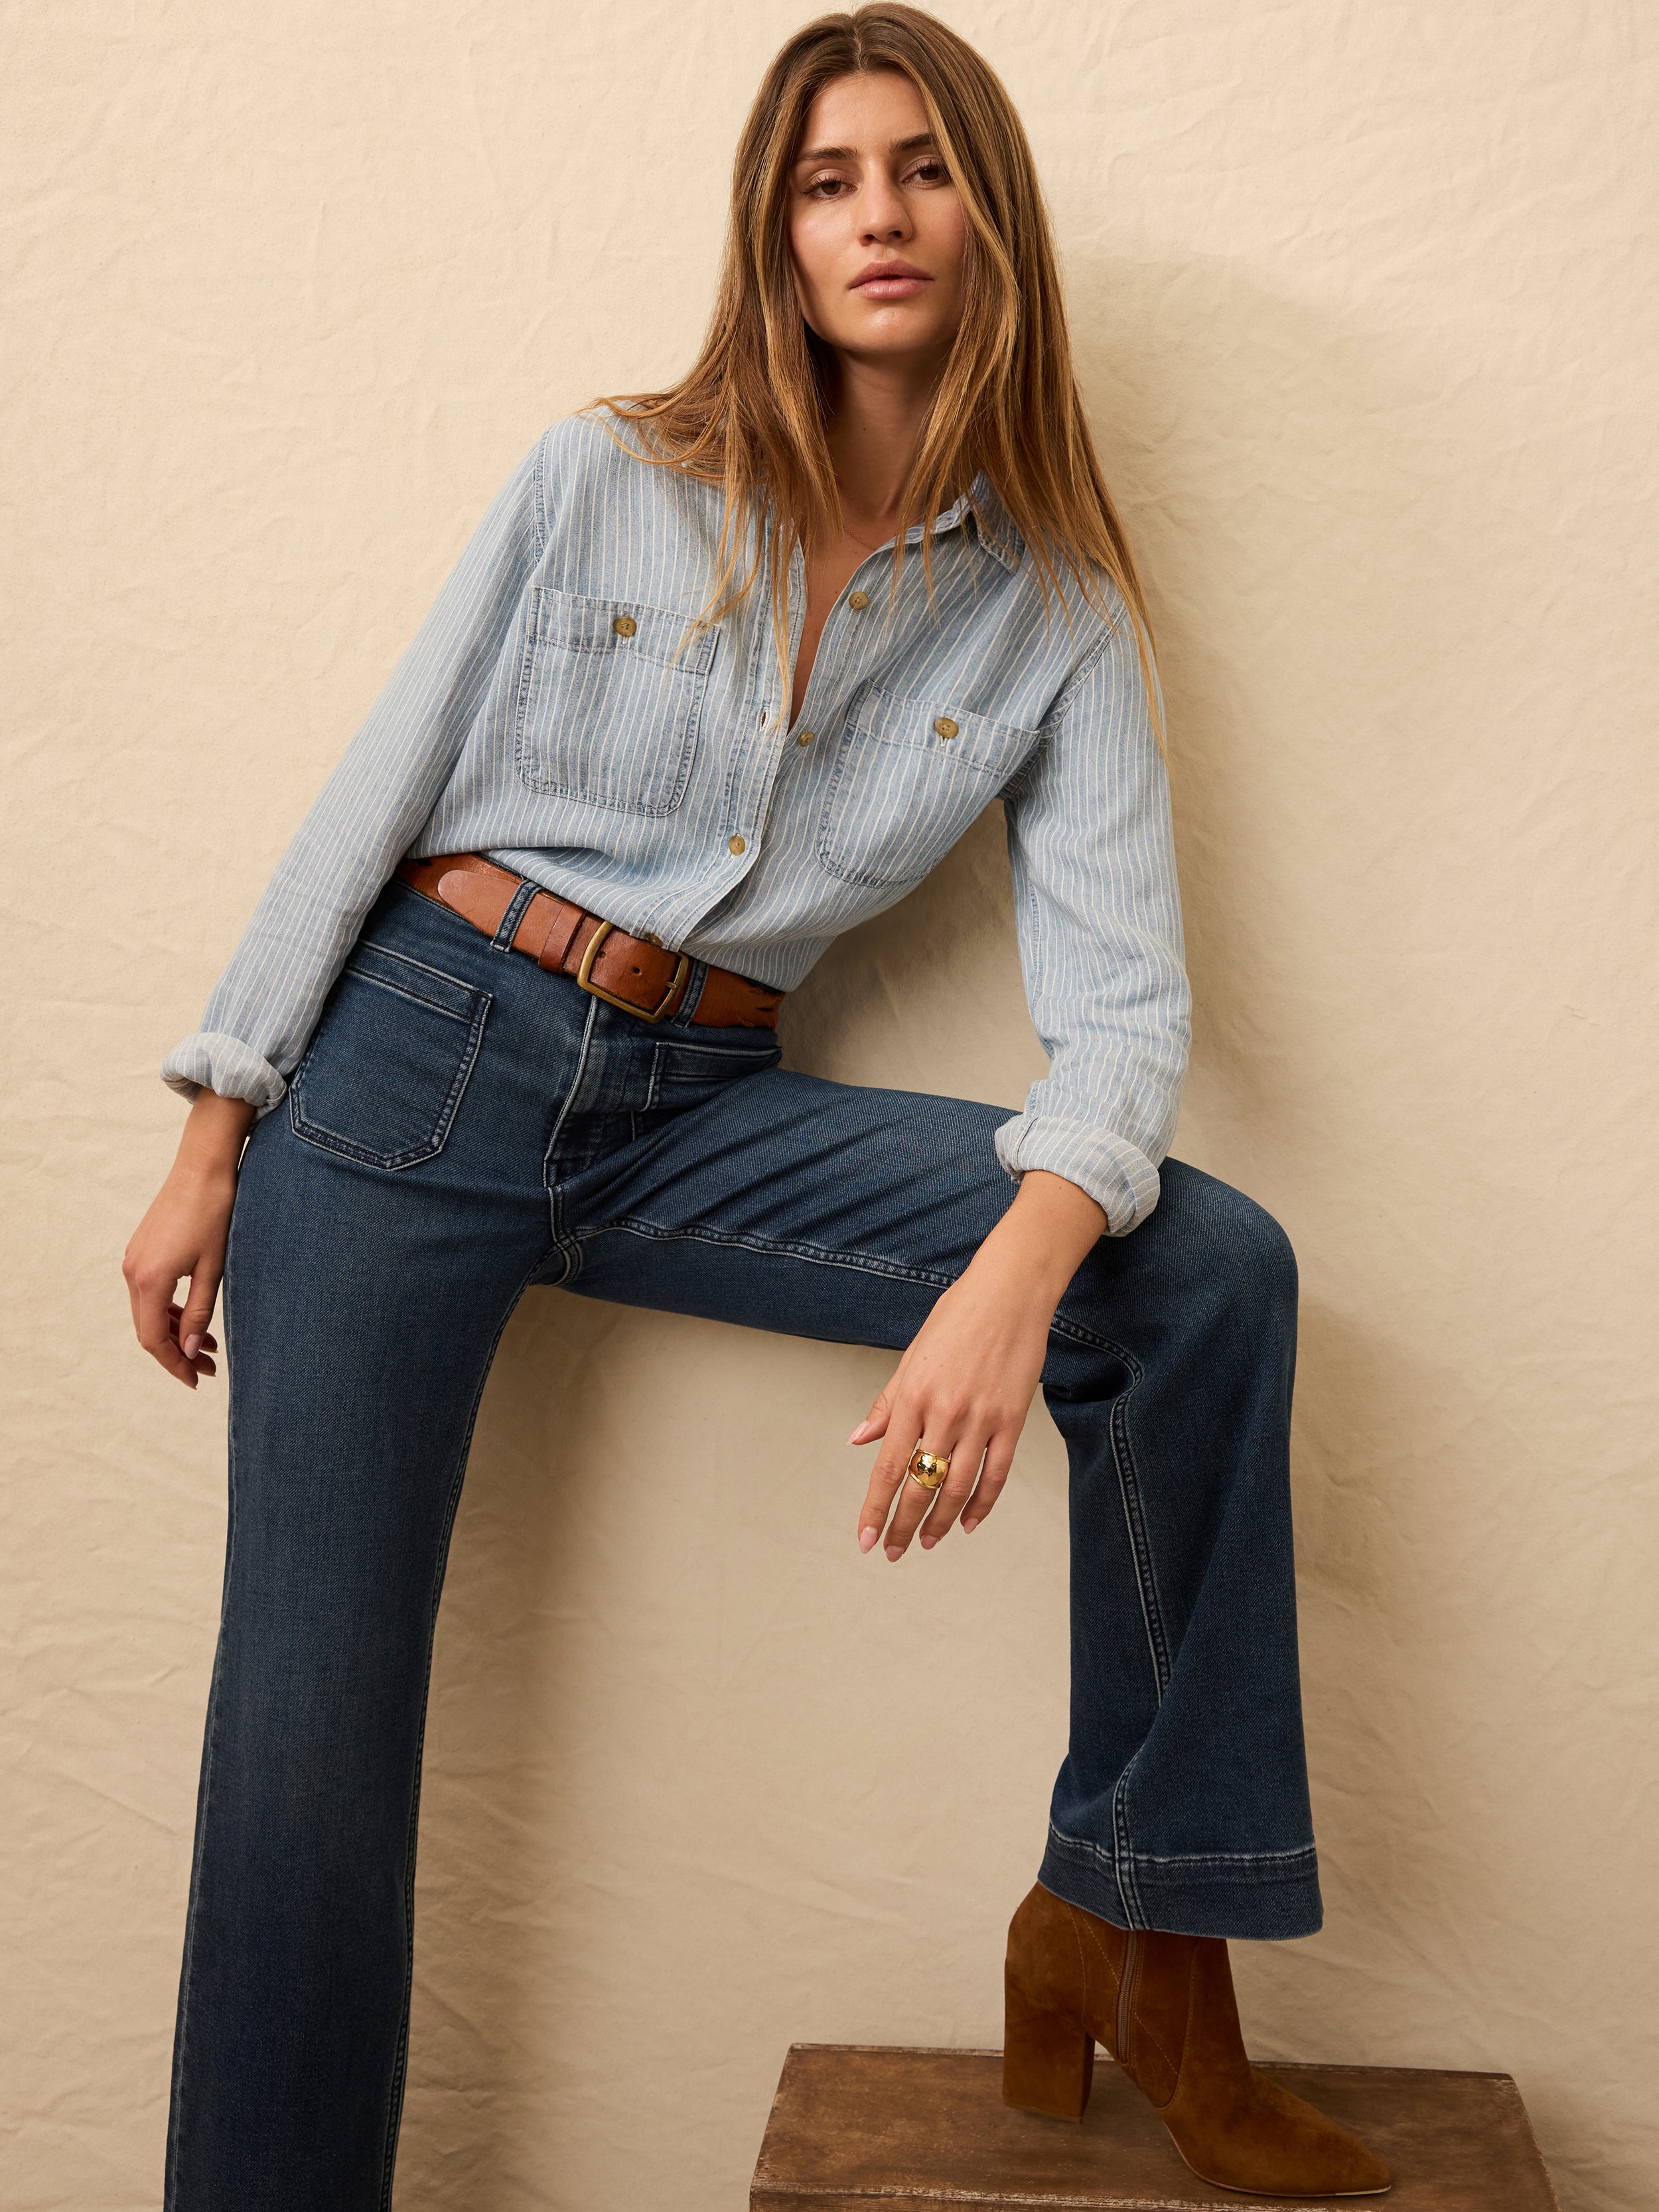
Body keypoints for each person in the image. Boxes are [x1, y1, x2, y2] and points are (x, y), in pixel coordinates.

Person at [123, 7, 1390, 2203]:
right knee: (309, 1744)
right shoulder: (603, 473)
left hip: (690, 1104)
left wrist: (1012, 1276)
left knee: (1204, 1271)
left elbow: (1121, 1013)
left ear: (987, 216)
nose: (876, 216)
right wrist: (213, 1124)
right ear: (775, 233)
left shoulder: (1054, 611)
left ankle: (1129, 1919)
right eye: (827, 179)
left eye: (920, 167)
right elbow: (379, 785)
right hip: (411, 1070)